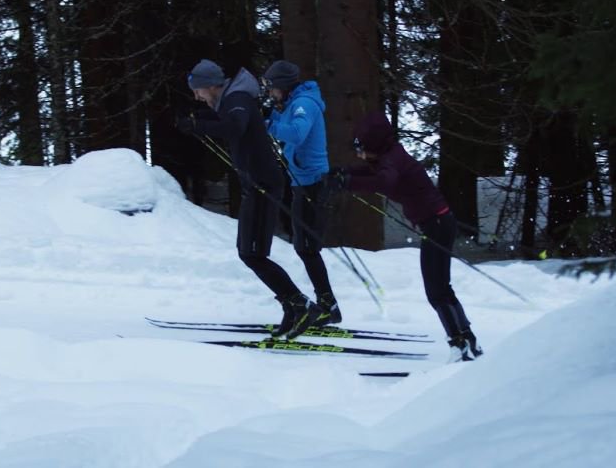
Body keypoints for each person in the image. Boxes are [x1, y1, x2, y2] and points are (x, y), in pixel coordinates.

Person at [176, 59, 321, 339]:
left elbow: (234, 127)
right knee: (250, 253)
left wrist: (196, 125)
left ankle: (300, 305)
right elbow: (227, 120)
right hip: (256, 185)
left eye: (198, 90)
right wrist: (196, 118)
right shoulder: (232, 100)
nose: (197, 96)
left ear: (211, 85)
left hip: (263, 185)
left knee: (252, 254)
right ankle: (293, 306)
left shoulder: (237, 98)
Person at [330, 111, 483, 362]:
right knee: (441, 288)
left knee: (436, 291)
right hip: (439, 222)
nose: (359, 155)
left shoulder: (391, 161)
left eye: (362, 149)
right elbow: (372, 172)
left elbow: (383, 182)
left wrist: (348, 183)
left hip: (436, 224)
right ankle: (467, 340)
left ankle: (460, 344)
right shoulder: (390, 155)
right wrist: (344, 173)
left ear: (374, 145)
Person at [262, 60, 341, 326]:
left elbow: (296, 133)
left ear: (283, 86)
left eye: (272, 87)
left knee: (307, 248)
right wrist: (270, 116)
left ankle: (329, 306)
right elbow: (284, 124)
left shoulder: (304, 103)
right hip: (302, 181)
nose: (270, 92)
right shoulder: (294, 103)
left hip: (312, 183)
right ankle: (328, 304)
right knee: (305, 247)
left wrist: (267, 124)